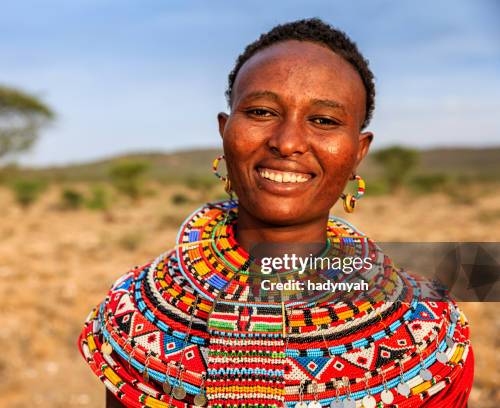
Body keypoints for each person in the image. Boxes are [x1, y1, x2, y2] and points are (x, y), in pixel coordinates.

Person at [78, 18, 473, 407]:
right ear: (225, 130)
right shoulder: (136, 309)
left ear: (359, 151)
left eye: (323, 121)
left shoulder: (425, 326)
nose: (287, 143)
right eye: (261, 112)